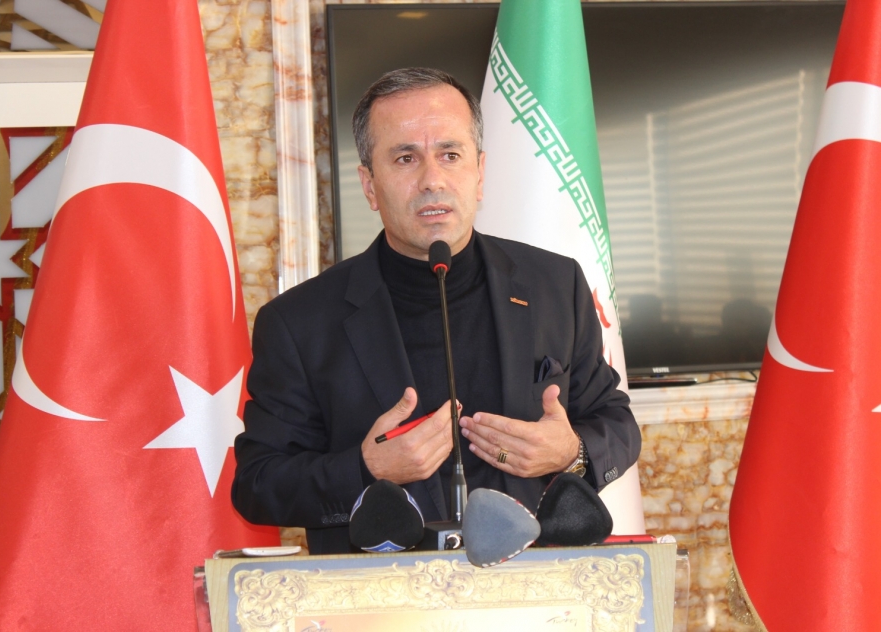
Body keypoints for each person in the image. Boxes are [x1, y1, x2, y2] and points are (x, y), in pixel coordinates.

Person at [232, 68, 641, 554]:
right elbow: (258, 484)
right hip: (378, 596)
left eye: (450, 154)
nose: (432, 180)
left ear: (479, 173)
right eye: (405, 158)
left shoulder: (555, 284)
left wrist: (571, 453)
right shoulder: (299, 322)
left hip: (532, 584)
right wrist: (366, 469)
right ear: (369, 185)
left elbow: (615, 421)